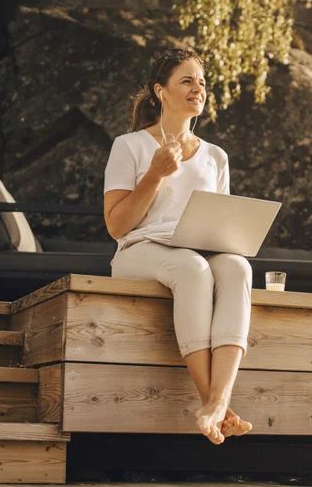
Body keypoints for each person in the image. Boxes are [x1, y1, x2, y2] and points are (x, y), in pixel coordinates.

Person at [103, 49, 252, 445]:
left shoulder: (216, 157)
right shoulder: (129, 145)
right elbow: (116, 226)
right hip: (139, 250)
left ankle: (218, 402)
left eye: (202, 82)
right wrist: (153, 175)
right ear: (161, 91)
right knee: (192, 269)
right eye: (186, 81)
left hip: (195, 250)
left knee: (238, 267)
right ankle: (213, 402)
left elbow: (220, 226)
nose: (197, 89)